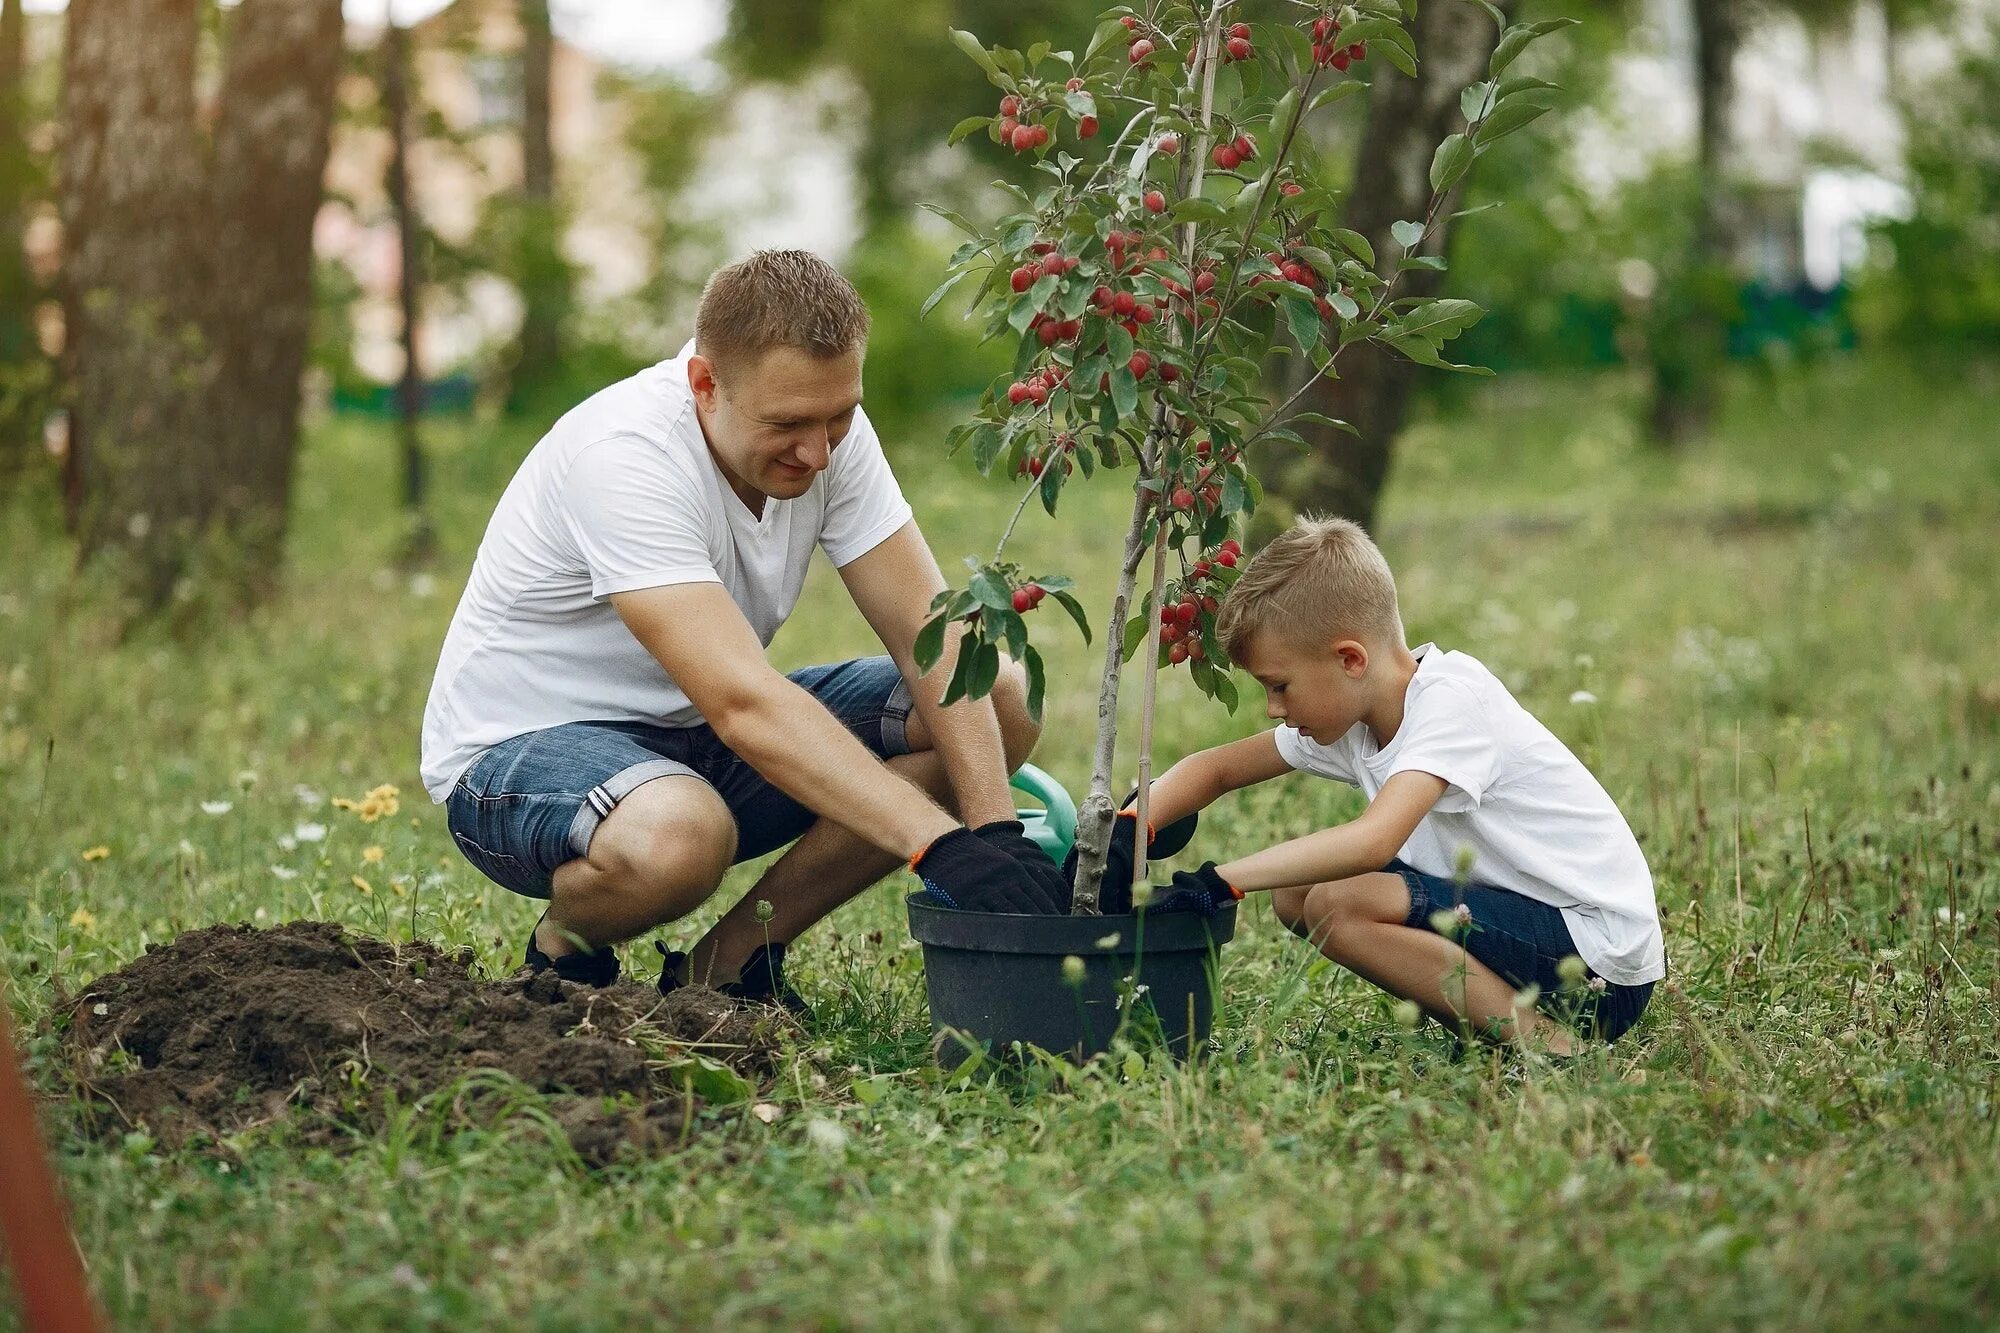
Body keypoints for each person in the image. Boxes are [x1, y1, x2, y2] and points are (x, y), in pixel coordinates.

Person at [419, 250, 1069, 1011]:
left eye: (840, 416)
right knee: (680, 837)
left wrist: (994, 835)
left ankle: (727, 966)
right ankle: (566, 949)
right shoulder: (624, 457)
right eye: (789, 424)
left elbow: (934, 634)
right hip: (522, 754)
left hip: (696, 739)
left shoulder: (827, 434)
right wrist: (942, 846)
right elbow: (743, 702)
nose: (819, 452)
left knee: (994, 697)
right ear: (705, 385)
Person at [1104, 516, 1663, 1051]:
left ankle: (1553, 1049)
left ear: (1349, 659)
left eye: (1279, 686)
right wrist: (1131, 827)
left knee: (1337, 904)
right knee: (1297, 894)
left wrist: (1221, 881)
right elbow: (1216, 768)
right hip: (1521, 924)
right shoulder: (1360, 710)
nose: (1273, 709)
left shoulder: (1450, 704)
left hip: (1597, 965)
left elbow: (1374, 842)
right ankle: (1497, 1026)